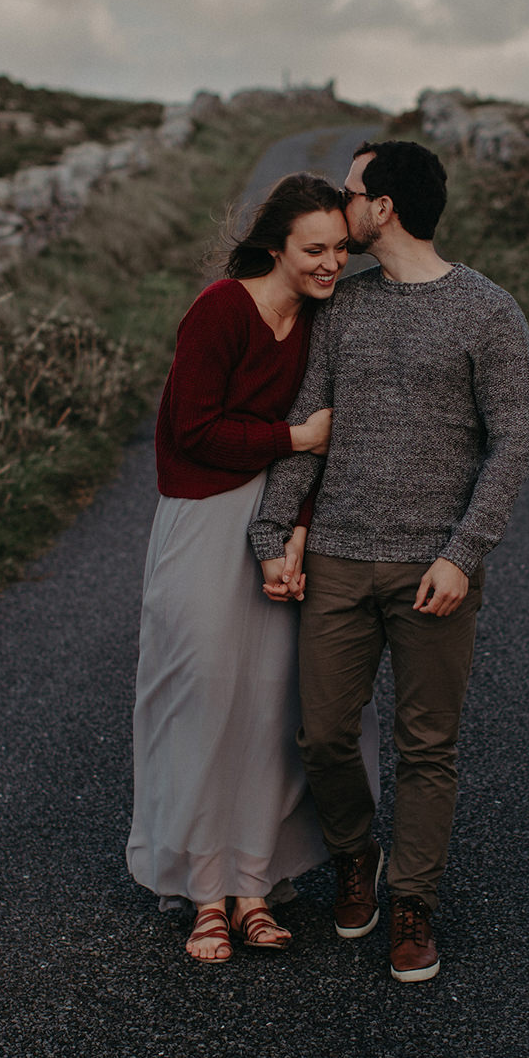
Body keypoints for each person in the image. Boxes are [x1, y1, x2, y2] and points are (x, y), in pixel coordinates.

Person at [249, 140, 529, 983]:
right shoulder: (343, 307)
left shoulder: (489, 312)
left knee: (426, 746)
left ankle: (413, 903)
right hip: (338, 555)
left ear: (385, 207)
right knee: (324, 735)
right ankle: (352, 855)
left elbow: (513, 441)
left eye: (351, 193)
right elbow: (312, 422)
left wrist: (463, 553)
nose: (341, 208)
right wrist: (274, 533)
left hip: (433, 570)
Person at [125, 172, 361, 963]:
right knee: (202, 692)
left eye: (339, 248)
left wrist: (293, 531)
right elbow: (193, 429)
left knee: (269, 703)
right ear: (275, 245)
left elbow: (328, 447)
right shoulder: (221, 310)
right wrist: (291, 441)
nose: (332, 263)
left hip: (281, 523)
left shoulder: (324, 321)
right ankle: (201, 892)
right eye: (314, 249)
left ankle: (255, 885)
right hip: (203, 515)